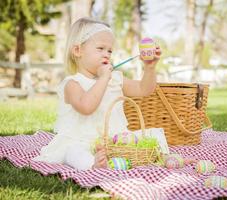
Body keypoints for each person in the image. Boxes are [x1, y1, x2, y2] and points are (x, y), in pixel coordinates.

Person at [32, 17, 163, 170]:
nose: (106, 54)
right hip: (82, 141)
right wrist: (104, 78)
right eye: (100, 49)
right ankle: (93, 165)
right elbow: (87, 107)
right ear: (78, 51)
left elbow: (143, 89)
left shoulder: (115, 79)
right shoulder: (73, 84)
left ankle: (159, 158)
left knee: (153, 135)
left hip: (115, 141)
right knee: (73, 152)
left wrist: (150, 68)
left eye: (109, 50)